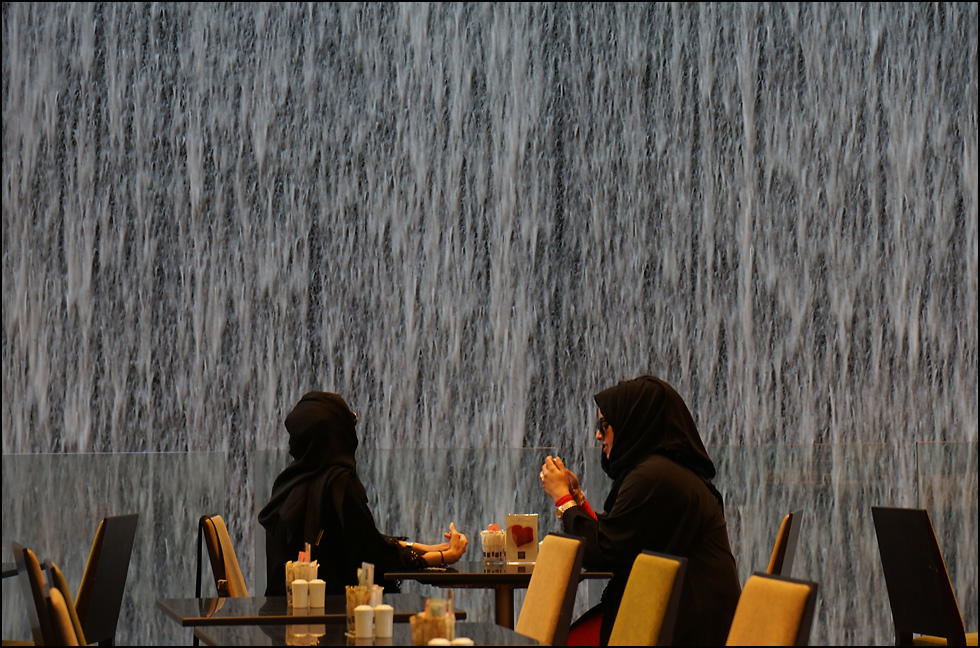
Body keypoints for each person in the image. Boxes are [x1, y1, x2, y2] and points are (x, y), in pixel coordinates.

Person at [539, 375, 741, 646]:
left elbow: (604, 553)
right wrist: (577, 500)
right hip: (686, 618)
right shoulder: (662, 471)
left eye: (605, 425)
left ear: (632, 423)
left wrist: (563, 498)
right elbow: (623, 536)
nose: (599, 434)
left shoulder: (653, 477)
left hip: (680, 628)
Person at [259, 390, 468, 596]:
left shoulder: (286, 486)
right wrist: (445, 556)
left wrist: (426, 548)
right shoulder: (337, 484)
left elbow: (361, 540)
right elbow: (376, 560)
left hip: (285, 618)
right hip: (338, 619)